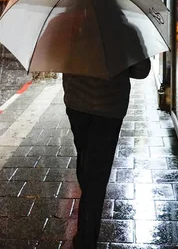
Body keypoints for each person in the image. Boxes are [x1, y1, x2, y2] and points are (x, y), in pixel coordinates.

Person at [63, 58, 151, 249]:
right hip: (109, 108)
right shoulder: (125, 30)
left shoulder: (71, 29)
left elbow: (59, 60)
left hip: (77, 104)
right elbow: (141, 70)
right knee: (97, 175)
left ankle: (87, 217)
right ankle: (87, 239)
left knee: (86, 159)